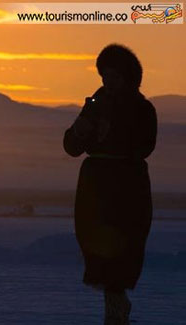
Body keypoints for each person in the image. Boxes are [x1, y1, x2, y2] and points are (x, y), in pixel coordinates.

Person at [63, 44, 157, 324]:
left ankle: (117, 312)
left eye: (114, 76)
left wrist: (114, 130)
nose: (107, 82)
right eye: (104, 76)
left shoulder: (142, 109)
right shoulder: (94, 105)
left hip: (128, 187)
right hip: (95, 187)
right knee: (98, 252)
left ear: (128, 77)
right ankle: (115, 312)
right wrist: (84, 126)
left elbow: (144, 146)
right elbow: (71, 146)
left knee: (123, 252)